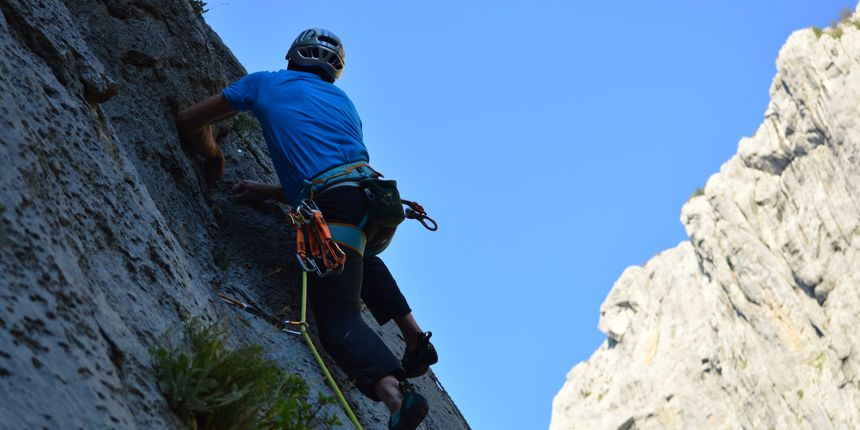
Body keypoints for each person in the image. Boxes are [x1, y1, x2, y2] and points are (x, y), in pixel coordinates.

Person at [176, 28, 437, 430]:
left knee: (338, 319)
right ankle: (415, 338)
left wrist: (214, 157)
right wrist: (268, 191)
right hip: (370, 200)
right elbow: (327, 168)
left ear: (292, 54)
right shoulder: (343, 102)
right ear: (333, 72)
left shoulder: (264, 83)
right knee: (356, 254)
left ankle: (395, 396)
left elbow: (192, 120)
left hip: (336, 204)